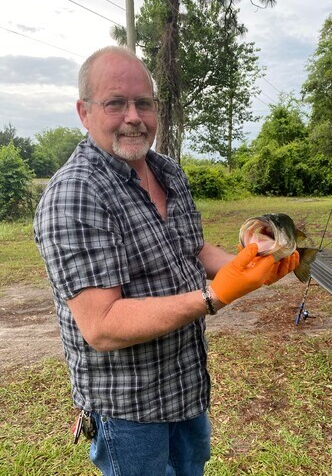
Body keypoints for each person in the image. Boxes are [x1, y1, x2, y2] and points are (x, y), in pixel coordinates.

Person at [34, 46, 299, 476]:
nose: (134, 116)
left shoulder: (167, 171)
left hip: (184, 386)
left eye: (144, 103)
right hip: (129, 409)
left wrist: (251, 265)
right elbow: (101, 325)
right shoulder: (75, 194)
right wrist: (213, 296)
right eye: (116, 103)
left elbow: (193, 248)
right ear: (84, 112)